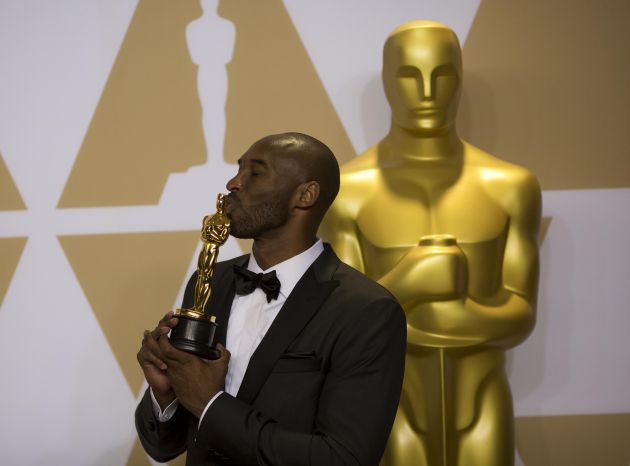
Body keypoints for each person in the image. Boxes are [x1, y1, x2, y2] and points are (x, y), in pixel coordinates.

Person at [319, 21, 541, 466]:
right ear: (387, 81)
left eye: (442, 75)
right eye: (409, 74)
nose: (426, 92)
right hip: (393, 404)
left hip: (483, 401)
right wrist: (410, 281)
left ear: (459, 78)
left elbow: (521, 314)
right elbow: (345, 329)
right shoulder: (347, 193)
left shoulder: (511, 187)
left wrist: (453, 315)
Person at [135, 132, 407, 465]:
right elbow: (164, 448)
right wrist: (165, 393)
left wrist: (211, 404)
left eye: (256, 172)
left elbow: (343, 459)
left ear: (305, 195)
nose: (234, 182)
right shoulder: (211, 281)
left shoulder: (366, 310)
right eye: (239, 169)